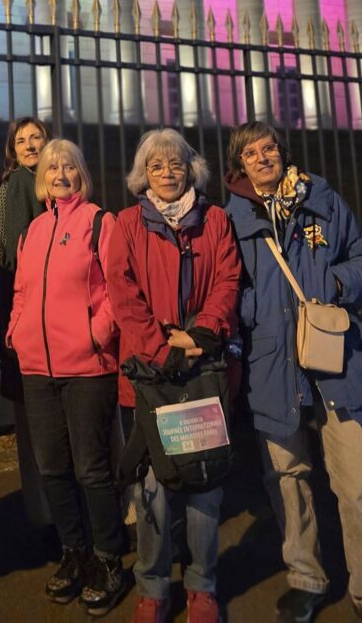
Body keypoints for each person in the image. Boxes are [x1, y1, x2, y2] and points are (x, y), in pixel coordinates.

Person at [224, 122, 362, 623]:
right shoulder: (230, 219)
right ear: (240, 165)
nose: (264, 158)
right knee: (286, 477)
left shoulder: (321, 197)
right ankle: (306, 577)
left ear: (282, 153)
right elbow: (225, 289)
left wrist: (337, 282)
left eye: (270, 148)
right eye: (252, 153)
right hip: (271, 365)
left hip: (337, 361)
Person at [106, 128, 241, 623]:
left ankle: (202, 585)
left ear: (191, 169)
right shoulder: (124, 223)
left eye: (176, 164)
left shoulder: (217, 220)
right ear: (144, 173)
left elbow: (227, 280)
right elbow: (121, 292)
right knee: (153, 490)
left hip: (202, 369)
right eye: (156, 166)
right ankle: (154, 586)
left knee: (205, 483)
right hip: (149, 374)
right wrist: (161, 347)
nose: (166, 173)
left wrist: (201, 333)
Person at [7, 139, 125, 617]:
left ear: (82, 174)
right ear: (42, 177)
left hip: (87, 367)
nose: (60, 173)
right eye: (53, 167)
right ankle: (73, 552)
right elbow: (21, 289)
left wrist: (96, 335)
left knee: (91, 468)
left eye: (70, 166)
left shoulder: (101, 221)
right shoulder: (33, 229)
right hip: (37, 365)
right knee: (52, 467)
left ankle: (109, 557)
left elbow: (118, 289)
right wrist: (15, 330)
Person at [0, 117, 52, 527]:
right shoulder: (20, 184)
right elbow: (16, 253)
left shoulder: (48, 180)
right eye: (22, 140)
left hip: (45, 318)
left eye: (37, 137)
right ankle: (45, 517)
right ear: (12, 150)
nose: (30, 144)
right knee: (36, 426)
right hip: (34, 316)